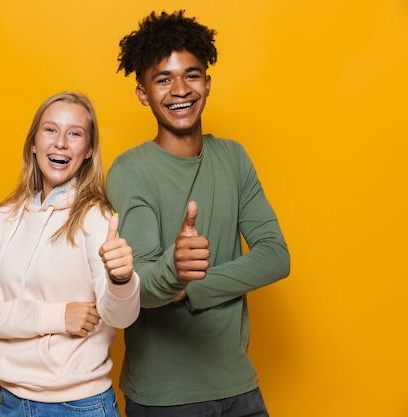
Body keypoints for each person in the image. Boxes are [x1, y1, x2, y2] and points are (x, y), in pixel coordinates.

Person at [106, 10, 291, 417]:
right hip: (166, 397)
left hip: (240, 385)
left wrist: (194, 285)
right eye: (163, 79)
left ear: (206, 83)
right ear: (143, 93)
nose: (179, 90)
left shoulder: (233, 157)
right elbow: (137, 289)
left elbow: (276, 256)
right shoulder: (129, 171)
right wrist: (173, 269)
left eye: (191, 75)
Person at [0, 91, 140, 417]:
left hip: (79, 406)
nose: (61, 142)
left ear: (87, 151)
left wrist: (122, 279)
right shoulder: (6, 216)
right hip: (11, 402)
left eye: (74, 133)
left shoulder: (95, 217)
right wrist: (57, 317)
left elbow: (120, 316)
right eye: (50, 130)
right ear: (33, 143)